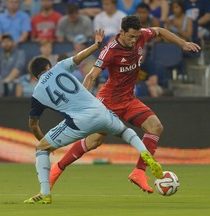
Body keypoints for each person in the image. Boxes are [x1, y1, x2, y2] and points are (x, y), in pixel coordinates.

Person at [50, 15, 200, 194]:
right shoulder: (110, 50)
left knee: (155, 127)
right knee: (94, 141)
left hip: (129, 100)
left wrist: (182, 43)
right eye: (130, 37)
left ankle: (138, 171)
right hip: (108, 102)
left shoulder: (141, 35)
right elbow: (91, 76)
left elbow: (160, 31)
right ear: (122, 32)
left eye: (137, 37)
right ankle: (58, 168)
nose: (134, 40)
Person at [23, 29, 163, 204]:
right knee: (125, 131)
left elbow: (33, 124)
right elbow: (79, 57)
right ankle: (144, 153)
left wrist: (45, 141)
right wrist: (96, 45)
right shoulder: (59, 67)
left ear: (35, 76)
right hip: (102, 109)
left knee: (41, 148)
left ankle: (45, 193)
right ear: (48, 66)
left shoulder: (37, 93)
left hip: (79, 122)